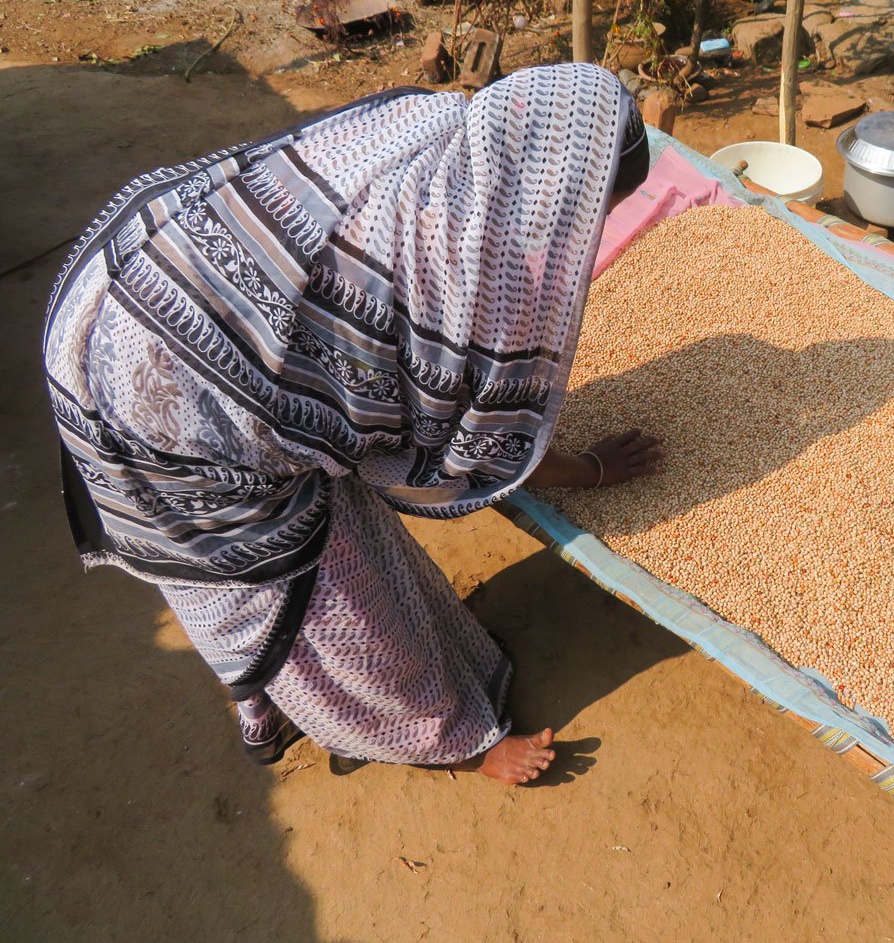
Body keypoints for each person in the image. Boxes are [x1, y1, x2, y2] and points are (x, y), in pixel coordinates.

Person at [43, 63, 662, 784]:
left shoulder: (434, 126)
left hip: (119, 294)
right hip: (172, 402)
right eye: (590, 218)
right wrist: (590, 469)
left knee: (216, 582)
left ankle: (259, 707)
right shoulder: (451, 281)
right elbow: (469, 448)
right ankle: (455, 739)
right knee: (337, 602)